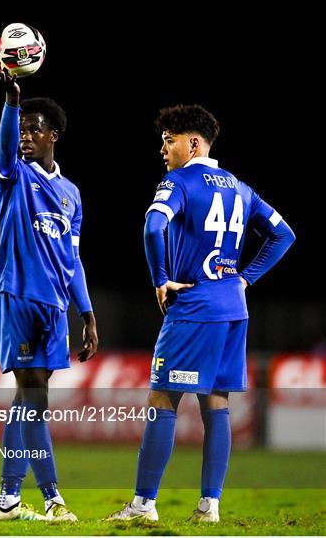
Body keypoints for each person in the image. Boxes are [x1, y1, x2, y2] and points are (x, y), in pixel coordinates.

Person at [106, 104, 295, 523]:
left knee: (162, 398)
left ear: (193, 143)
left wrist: (160, 278)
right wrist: (244, 278)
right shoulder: (240, 188)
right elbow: (284, 234)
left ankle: (144, 505)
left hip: (195, 307)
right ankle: (209, 506)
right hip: (234, 309)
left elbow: (153, 227)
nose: (163, 148)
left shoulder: (178, 182)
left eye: (169, 140)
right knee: (216, 403)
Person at [0, 70, 98, 522]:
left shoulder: (71, 194)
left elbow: (73, 260)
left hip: (54, 306)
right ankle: (52, 498)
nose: (27, 135)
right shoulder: (12, 176)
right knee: (33, 396)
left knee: (30, 399)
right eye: (23, 127)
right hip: (15, 294)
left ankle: (8, 501)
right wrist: (12, 103)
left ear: (54, 135)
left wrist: (87, 314)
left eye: (35, 128)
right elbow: (5, 146)